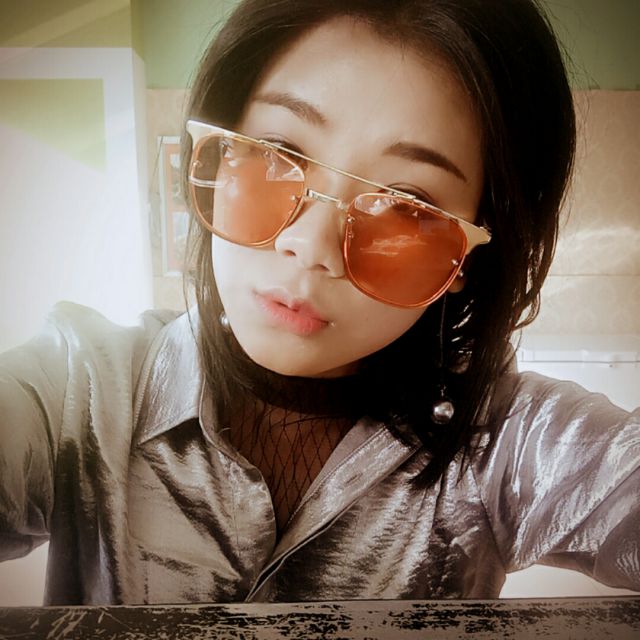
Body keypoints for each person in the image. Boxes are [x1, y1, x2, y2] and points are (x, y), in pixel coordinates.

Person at [0, 0, 638, 606]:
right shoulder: (79, 391)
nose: (310, 246)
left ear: (468, 259)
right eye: (280, 154)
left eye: (407, 205)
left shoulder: (505, 441)